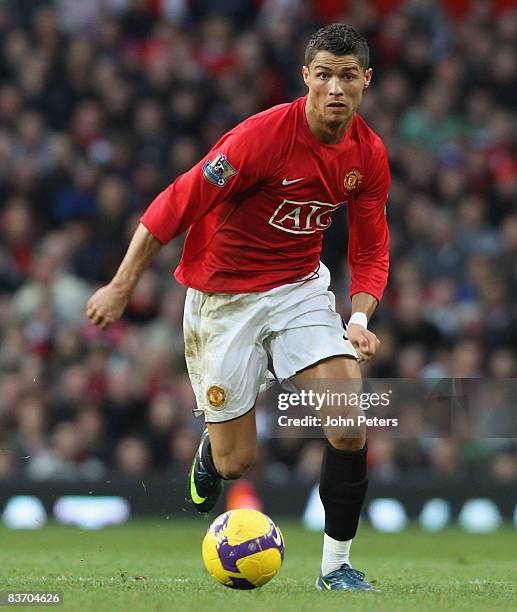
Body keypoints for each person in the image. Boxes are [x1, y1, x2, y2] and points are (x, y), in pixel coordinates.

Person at [87, 23, 389, 592]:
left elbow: (371, 247)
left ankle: (336, 567)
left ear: (366, 81)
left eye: (348, 77)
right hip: (223, 301)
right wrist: (120, 286)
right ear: (306, 78)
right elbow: (177, 202)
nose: (335, 89)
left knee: (350, 424)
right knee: (235, 464)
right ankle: (212, 446)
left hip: (298, 289)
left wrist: (358, 317)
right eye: (323, 75)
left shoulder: (367, 155)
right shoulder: (260, 139)